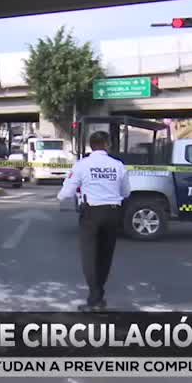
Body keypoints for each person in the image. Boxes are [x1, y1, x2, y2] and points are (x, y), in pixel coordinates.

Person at [57, 131, 130, 311]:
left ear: (91, 146)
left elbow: (66, 192)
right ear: (107, 144)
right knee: (105, 255)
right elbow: (126, 192)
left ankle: (94, 298)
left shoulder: (82, 165)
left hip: (91, 213)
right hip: (113, 212)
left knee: (89, 256)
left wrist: (61, 197)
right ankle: (98, 296)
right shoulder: (118, 165)